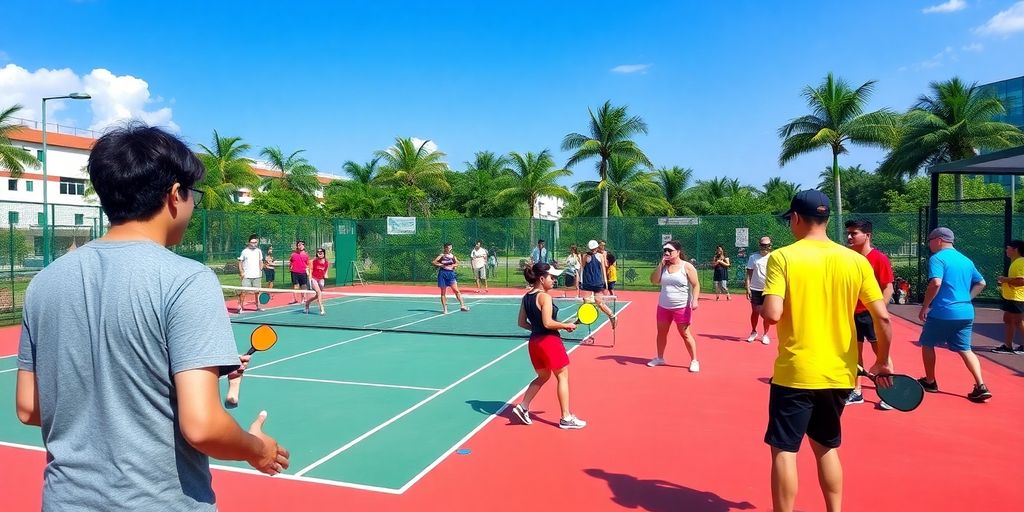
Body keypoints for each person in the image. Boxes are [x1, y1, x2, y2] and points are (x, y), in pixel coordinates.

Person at [15, 124, 288, 510]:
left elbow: (29, 408)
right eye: (192, 194)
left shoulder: (43, 283)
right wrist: (257, 448)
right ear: (175, 194)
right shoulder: (187, 279)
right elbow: (204, 426)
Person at [761, 190, 893, 512]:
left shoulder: (783, 257)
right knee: (826, 447)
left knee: (784, 450)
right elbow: (883, 318)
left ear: (795, 218)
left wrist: (766, 304)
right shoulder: (856, 261)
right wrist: (882, 361)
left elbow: (772, 313)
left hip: (796, 371)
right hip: (839, 373)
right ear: (828, 219)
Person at [917, 227, 992, 402]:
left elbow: (935, 283)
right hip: (966, 312)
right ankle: (981, 386)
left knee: (927, 343)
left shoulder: (937, 258)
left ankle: (930, 381)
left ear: (939, 240)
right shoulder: (966, 260)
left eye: (930, 241)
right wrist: (967, 298)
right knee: (965, 349)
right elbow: (982, 282)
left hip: (944, 311)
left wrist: (925, 307)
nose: (929, 244)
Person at [510, 262, 586, 429]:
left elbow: (522, 323)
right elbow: (548, 322)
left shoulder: (526, 297)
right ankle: (566, 417)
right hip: (549, 342)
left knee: (543, 376)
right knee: (562, 376)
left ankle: (523, 407)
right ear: (542, 278)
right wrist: (566, 325)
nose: (554, 280)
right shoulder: (544, 297)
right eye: (552, 277)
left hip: (534, 343)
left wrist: (538, 329)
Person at [844, 219, 895, 407]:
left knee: (881, 354)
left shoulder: (879, 258)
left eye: (853, 233)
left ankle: (888, 393)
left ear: (867, 235)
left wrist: (879, 310)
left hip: (870, 315)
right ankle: (856, 392)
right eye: (848, 233)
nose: (849, 237)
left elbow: (888, 287)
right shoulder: (847, 258)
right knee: (854, 355)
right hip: (850, 314)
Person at [647, 240, 701, 372]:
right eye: (665, 250)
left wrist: (695, 300)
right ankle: (660, 358)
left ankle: (694, 360)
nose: (666, 253)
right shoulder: (664, 266)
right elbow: (653, 281)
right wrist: (660, 265)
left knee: (685, 334)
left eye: (669, 251)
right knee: (661, 333)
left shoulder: (686, 267)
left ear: (678, 252)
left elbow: (696, 284)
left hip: (681, 307)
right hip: (663, 307)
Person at [994, 239, 1024, 354]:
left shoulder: (1020, 262)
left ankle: (1008, 346)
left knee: (1018, 322)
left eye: (1008, 248)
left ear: (1015, 249)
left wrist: (1004, 279)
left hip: (1017, 298)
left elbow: (1021, 281)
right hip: (1012, 297)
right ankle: (1008, 346)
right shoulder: (1015, 262)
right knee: (1008, 320)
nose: (1006, 250)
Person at [580, 239, 617, 328]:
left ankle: (612, 316)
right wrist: (580, 281)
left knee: (599, 302)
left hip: (596, 282)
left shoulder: (600, 256)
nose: (593, 250)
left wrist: (605, 282)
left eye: (594, 248)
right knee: (586, 301)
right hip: (588, 282)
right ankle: (582, 317)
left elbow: (603, 269)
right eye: (592, 249)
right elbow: (582, 268)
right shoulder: (585, 256)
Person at [745, 236, 773, 344]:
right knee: (755, 311)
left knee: (766, 313)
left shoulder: (773, 257)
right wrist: (747, 288)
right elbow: (748, 274)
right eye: (762, 245)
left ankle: (765, 334)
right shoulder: (753, 258)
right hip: (755, 288)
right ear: (759, 245)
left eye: (767, 245)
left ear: (770, 246)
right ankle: (753, 331)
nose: (764, 247)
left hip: (768, 289)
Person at [433, 242, 469, 314]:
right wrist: (441, 265)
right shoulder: (441, 255)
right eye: (448, 247)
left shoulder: (453, 256)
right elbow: (434, 262)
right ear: (445, 248)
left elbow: (457, 263)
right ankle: (445, 309)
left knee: (456, 290)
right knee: (443, 292)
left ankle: (462, 306)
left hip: (451, 274)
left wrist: (454, 265)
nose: (450, 249)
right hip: (442, 274)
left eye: (451, 247)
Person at [237, 234, 265, 314]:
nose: (254, 244)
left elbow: (261, 261)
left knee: (257, 292)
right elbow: (240, 262)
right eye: (252, 242)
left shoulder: (259, 251)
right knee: (244, 292)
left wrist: (261, 269)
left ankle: (258, 306)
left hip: (257, 275)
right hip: (247, 276)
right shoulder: (244, 251)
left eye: (255, 242)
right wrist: (242, 272)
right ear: (249, 243)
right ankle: (240, 307)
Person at [304, 247, 330, 315]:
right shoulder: (313, 261)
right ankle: (322, 308)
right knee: (318, 292)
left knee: (318, 294)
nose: (319, 253)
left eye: (321, 252)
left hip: (321, 279)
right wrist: (310, 281)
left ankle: (307, 302)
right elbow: (311, 271)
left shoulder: (326, 262)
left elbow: (326, 270)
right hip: (314, 278)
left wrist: (326, 275)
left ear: (324, 253)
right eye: (318, 252)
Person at [289, 240, 310, 304]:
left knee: (303, 286)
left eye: (302, 244)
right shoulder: (293, 254)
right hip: (294, 272)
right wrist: (290, 267)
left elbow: (307, 264)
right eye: (299, 245)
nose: (301, 246)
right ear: (297, 246)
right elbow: (290, 262)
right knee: (296, 286)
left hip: (303, 272)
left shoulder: (306, 255)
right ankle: (294, 299)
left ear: (304, 246)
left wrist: (307, 270)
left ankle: (304, 299)